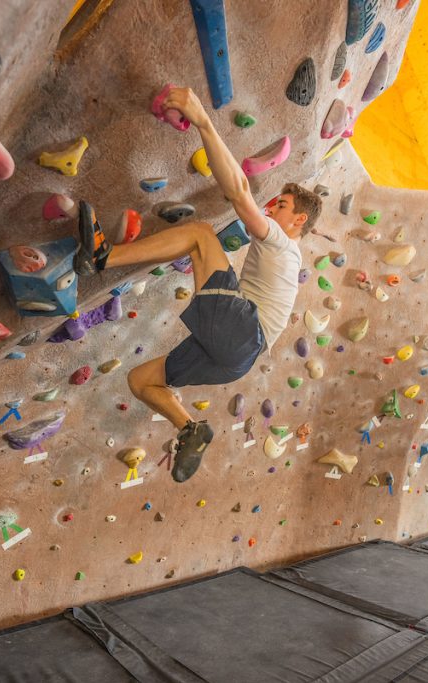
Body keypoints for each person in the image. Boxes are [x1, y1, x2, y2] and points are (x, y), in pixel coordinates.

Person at [74, 86, 322, 482]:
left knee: (202, 235)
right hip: (237, 362)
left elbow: (240, 193)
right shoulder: (287, 259)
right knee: (140, 380)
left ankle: (103, 257)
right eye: (275, 202)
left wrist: (203, 120)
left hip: (243, 336)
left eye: (282, 206)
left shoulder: (282, 241)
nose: (272, 207)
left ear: (298, 223)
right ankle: (191, 428)